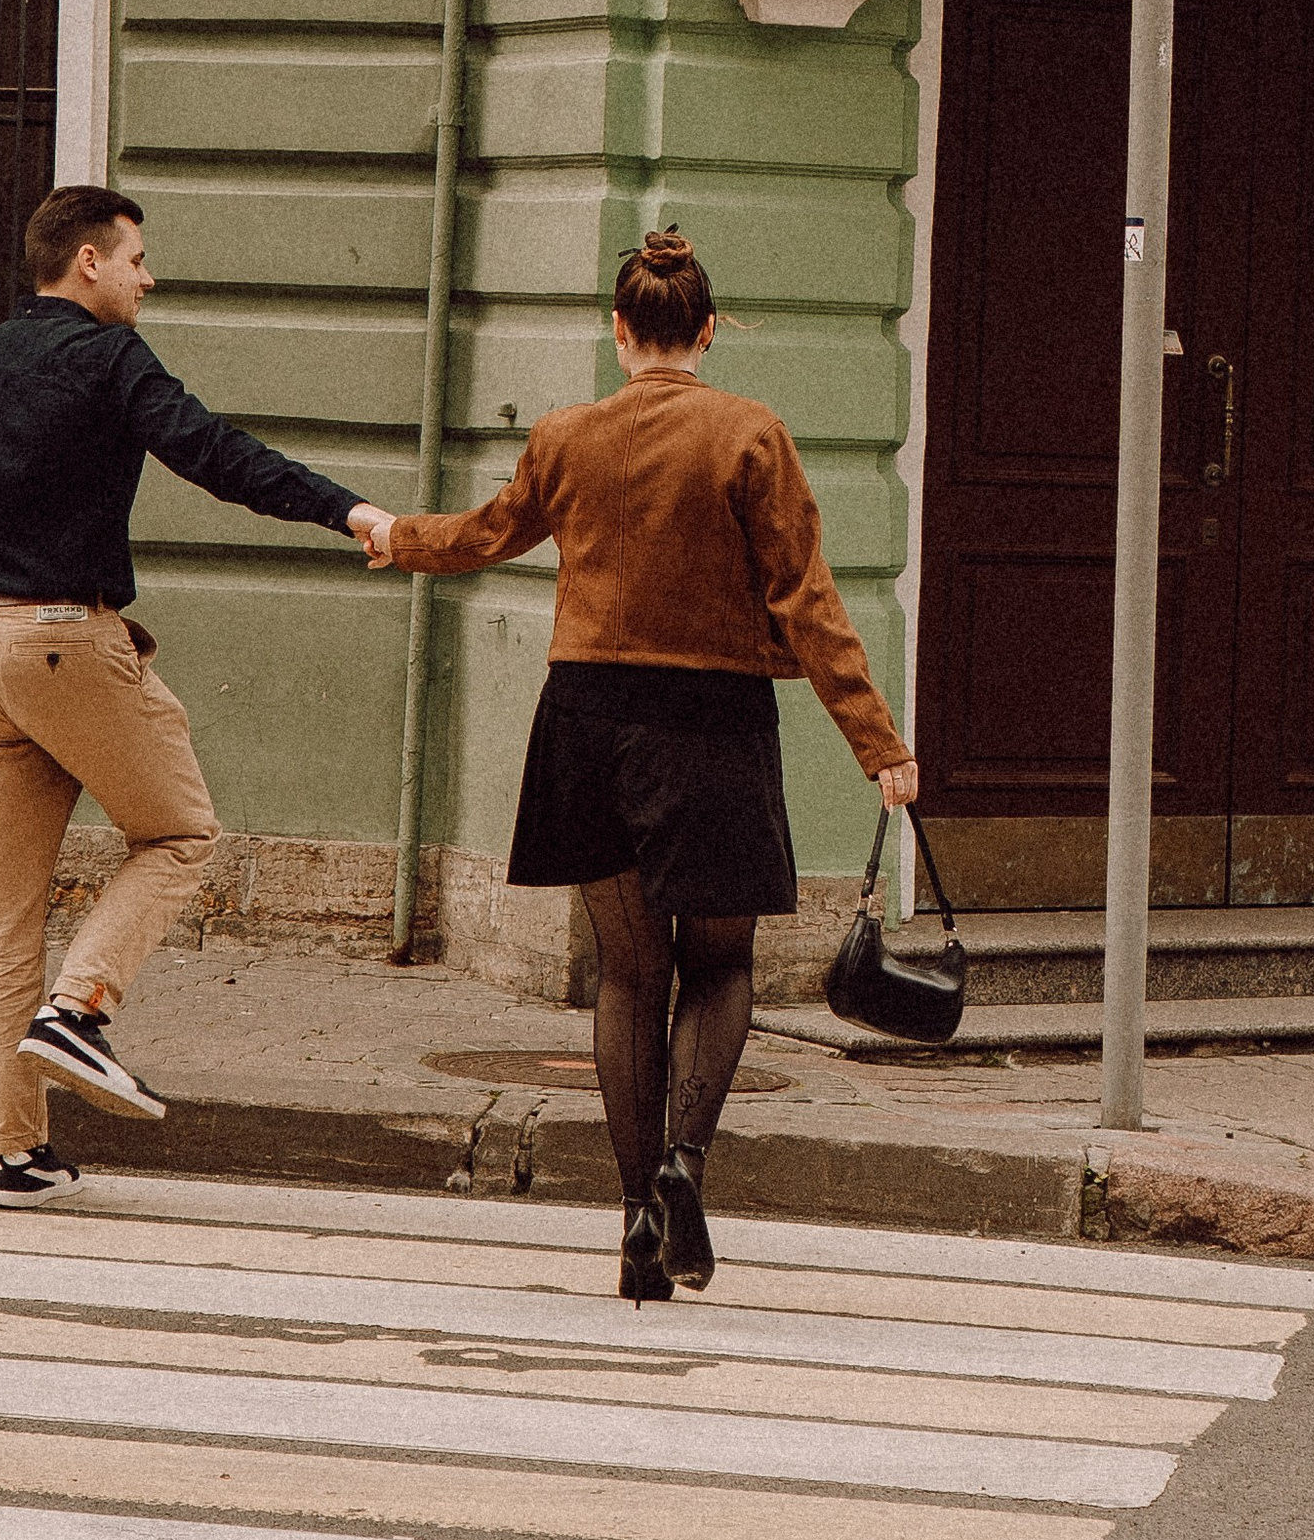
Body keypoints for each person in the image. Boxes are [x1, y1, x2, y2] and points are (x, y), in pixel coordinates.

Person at [349, 228, 919, 1301]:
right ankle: (684, 1163)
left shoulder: (566, 436)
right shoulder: (751, 434)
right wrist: (878, 744)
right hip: (710, 720)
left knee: (626, 973)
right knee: (718, 966)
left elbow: (484, 535)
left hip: (590, 718)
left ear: (620, 333)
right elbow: (806, 599)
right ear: (704, 332)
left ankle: (633, 1226)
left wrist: (394, 536)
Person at [0, 184, 363, 1200]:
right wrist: (348, 512)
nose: (147, 277)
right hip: (64, 641)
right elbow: (213, 454)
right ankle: (76, 1012)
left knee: (3, 912)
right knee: (179, 835)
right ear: (87, 261)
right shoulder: (107, 357)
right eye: (135, 259)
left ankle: (18, 1148)